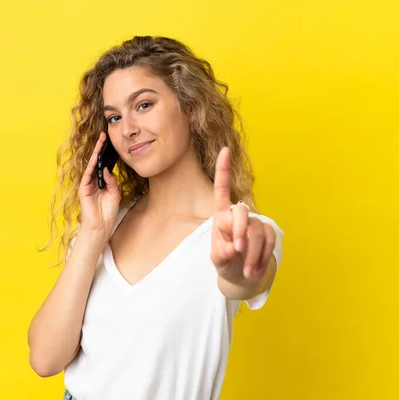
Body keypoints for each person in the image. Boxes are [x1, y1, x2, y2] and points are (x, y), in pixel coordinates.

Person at [28, 35, 284, 400]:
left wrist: (236, 270)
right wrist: (91, 233)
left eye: (144, 105)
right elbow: (45, 359)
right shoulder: (105, 226)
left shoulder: (236, 233)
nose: (127, 129)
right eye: (114, 117)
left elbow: (245, 279)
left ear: (190, 106)